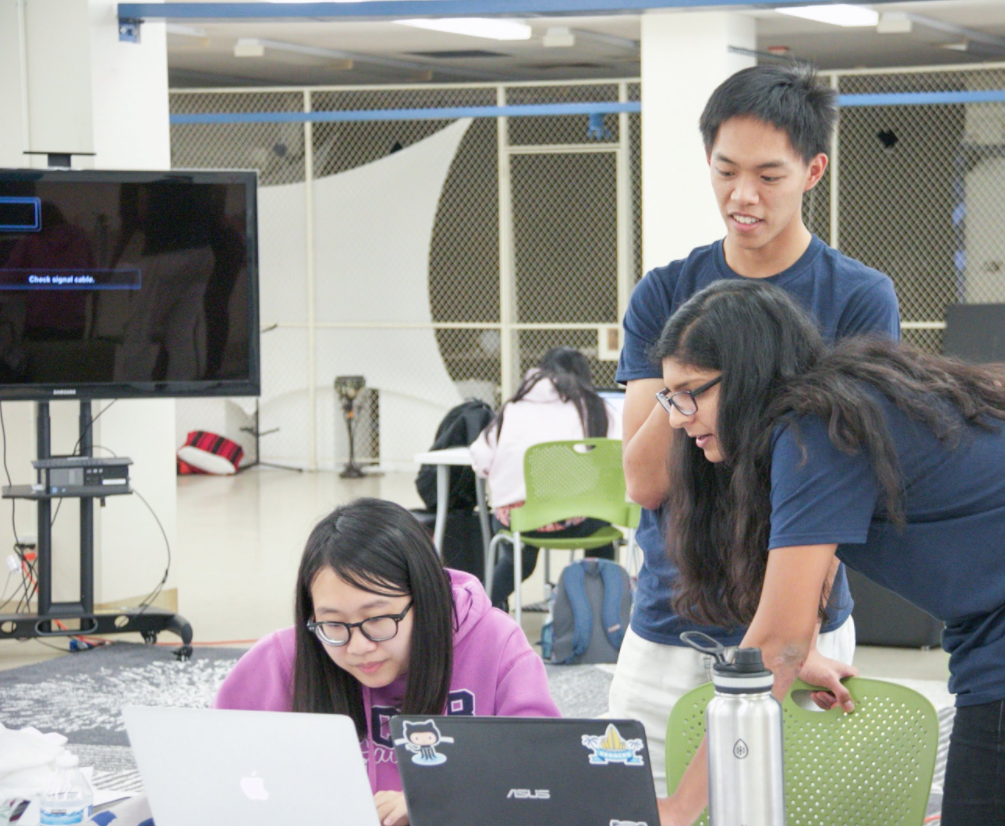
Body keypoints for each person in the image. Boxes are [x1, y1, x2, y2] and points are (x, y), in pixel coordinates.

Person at [654, 280, 1005, 826]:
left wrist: (679, 808)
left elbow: (776, 643)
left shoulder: (809, 434)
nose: (677, 416)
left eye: (691, 390)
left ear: (748, 373)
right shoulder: (860, 398)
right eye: (668, 395)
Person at [610, 63, 900, 791]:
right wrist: (709, 361)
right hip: (670, 623)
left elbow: (850, 483)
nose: (743, 197)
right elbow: (645, 482)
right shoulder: (667, 293)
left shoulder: (857, 298)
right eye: (726, 171)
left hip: (805, 623)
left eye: (769, 175)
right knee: (645, 804)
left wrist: (791, 637)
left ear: (814, 171)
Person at [214, 498, 559, 826]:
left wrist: (440, 801)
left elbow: (545, 774)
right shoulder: (286, 658)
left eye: (377, 620)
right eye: (333, 624)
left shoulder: (495, 645)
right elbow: (210, 762)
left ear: (425, 598)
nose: (359, 646)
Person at [469, 347, 621, 609]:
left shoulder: (514, 408)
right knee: (605, 527)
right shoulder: (597, 408)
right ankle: (596, 608)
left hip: (523, 519)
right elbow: (618, 455)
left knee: (518, 559)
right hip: (577, 519)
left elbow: (481, 462)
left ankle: (478, 610)